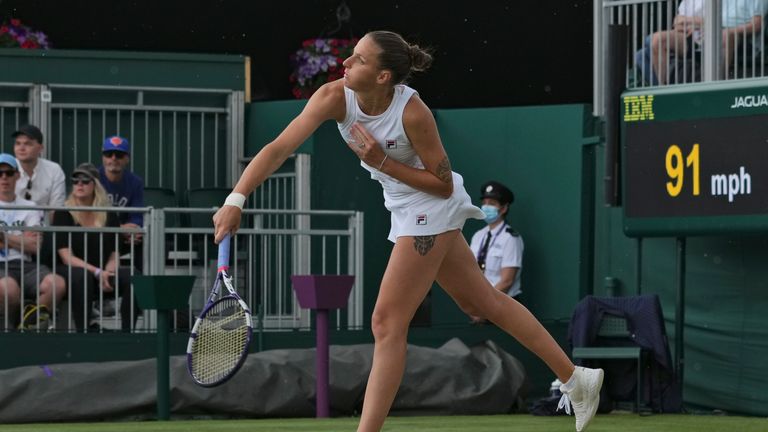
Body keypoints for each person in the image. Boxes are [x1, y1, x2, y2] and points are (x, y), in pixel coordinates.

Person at [212, 31, 604, 432]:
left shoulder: (413, 112)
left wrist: (382, 160)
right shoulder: (333, 97)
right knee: (483, 302)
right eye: (351, 56)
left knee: (386, 322)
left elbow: (443, 185)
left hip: (429, 204)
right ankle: (577, 378)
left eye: (359, 60)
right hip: (401, 206)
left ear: (383, 77)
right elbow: (279, 147)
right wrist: (236, 199)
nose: (345, 63)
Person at [52, 163, 139, 331]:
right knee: (81, 276)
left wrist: (108, 272)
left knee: (134, 275)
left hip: (102, 270)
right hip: (72, 269)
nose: (79, 184)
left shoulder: (108, 213)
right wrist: (97, 272)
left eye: (85, 180)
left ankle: (128, 332)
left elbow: (115, 253)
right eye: (75, 181)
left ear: (95, 185)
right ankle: (83, 331)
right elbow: (66, 256)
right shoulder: (63, 212)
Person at [0, 153, 66, 330]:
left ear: (17, 176)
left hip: (25, 264)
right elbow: (28, 243)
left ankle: (27, 326)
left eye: (8, 173)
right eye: (0, 173)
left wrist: (3, 237)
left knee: (56, 284)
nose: (4, 177)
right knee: (9, 289)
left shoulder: (30, 206)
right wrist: (22, 239)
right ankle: (11, 329)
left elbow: (35, 246)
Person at [643, 0, 767, 85]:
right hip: (706, 33)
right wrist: (695, 25)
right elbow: (697, 18)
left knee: (724, 35)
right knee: (658, 40)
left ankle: (716, 86)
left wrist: (726, 30)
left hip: (742, 38)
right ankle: (664, 90)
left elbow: (756, 25)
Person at [468, 181, 524, 323]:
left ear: (504, 208)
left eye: (492, 203)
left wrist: (484, 307)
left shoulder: (511, 238)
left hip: (504, 308)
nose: (486, 207)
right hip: (478, 309)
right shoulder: (478, 236)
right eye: (485, 202)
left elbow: (507, 281)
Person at [98, 135, 144, 260]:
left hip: (125, 236)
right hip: (100, 234)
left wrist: (133, 231)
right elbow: (91, 216)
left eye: (119, 155)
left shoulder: (135, 182)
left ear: (127, 159)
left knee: (146, 240)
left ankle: (143, 279)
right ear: (103, 158)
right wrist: (119, 228)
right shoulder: (94, 179)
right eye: (109, 154)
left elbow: (137, 215)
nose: (113, 158)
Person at [12, 124, 66, 210]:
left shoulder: (54, 170)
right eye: (18, 143)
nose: (21, 148)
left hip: (45, 222)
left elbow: (56, 210)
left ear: (40, 148)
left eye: (28, 144)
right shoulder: (6, 169)